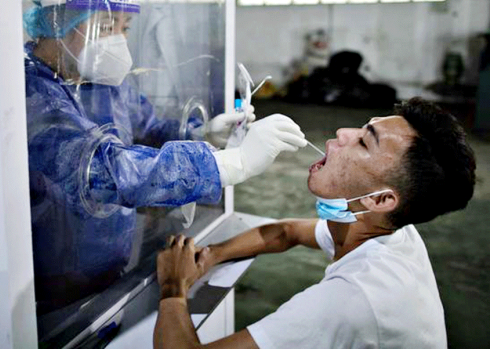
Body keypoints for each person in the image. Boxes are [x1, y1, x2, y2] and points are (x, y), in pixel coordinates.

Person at [23, 0, 308, 313]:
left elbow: (149, 130)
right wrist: (230, 164)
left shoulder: (106, 84)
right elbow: (98, 172)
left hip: (110, 271)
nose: (120, 40)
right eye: (107, 25)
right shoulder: (29, 94)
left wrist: (202, 133)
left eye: (125, 27)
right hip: (52, 289)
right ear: (59, 22)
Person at [154, 97, 476, 349]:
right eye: (363, 127)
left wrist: (174, 285)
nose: (342, 133)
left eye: (364, 142)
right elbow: (287, 232)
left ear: (379, 199)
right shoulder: (391, 229)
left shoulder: (349, 301)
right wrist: (209, 257)